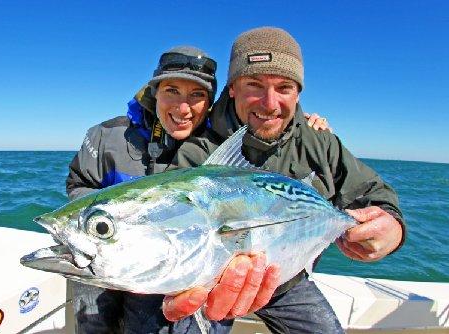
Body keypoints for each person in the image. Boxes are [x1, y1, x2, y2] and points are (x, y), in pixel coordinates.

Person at [66, 45, 330, 333]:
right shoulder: (107, 136)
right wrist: (114, 225)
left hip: (180, 263)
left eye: (197, 95)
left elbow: (273, 127)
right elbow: (80, 184)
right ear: (154, 91)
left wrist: (302, 126)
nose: (183, 108)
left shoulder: (218, 141)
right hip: (115, 254)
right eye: (171, 91)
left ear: (210, 102)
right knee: (92, 313)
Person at [165, 27, 405, 333]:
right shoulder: (198, 149)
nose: (270, 103)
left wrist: (390, 230)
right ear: (233, 88)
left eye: (284, 87)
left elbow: (374, 194)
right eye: (254, 84)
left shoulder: (320, 143)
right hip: (214, 287)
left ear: (298, 92)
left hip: (289, 283)